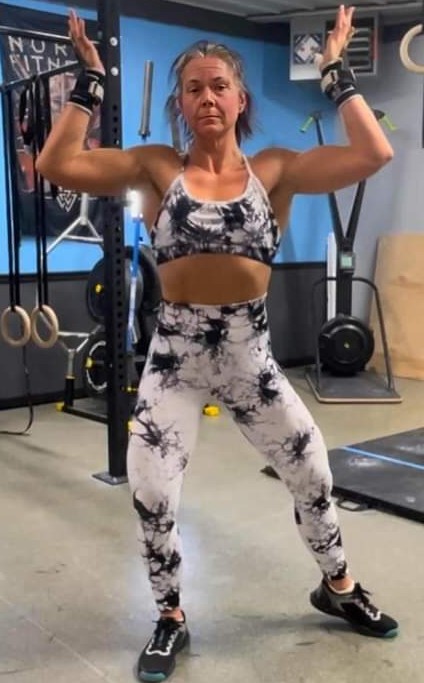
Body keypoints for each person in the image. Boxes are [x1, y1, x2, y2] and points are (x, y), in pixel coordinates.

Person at [37, 5, 398, 681]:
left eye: (219, 85)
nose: (207, 97)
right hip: (175, 361)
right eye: (194, 88)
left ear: (240, 99)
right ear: (180, 104)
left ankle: (339, 586)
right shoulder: (156, 167)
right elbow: (58, 164)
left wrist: (334, 71)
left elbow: (375, 154)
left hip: (249, 358)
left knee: (314, 474)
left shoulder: (276, 170)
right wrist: (90, 80)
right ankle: (170, 615)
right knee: (152, 491)